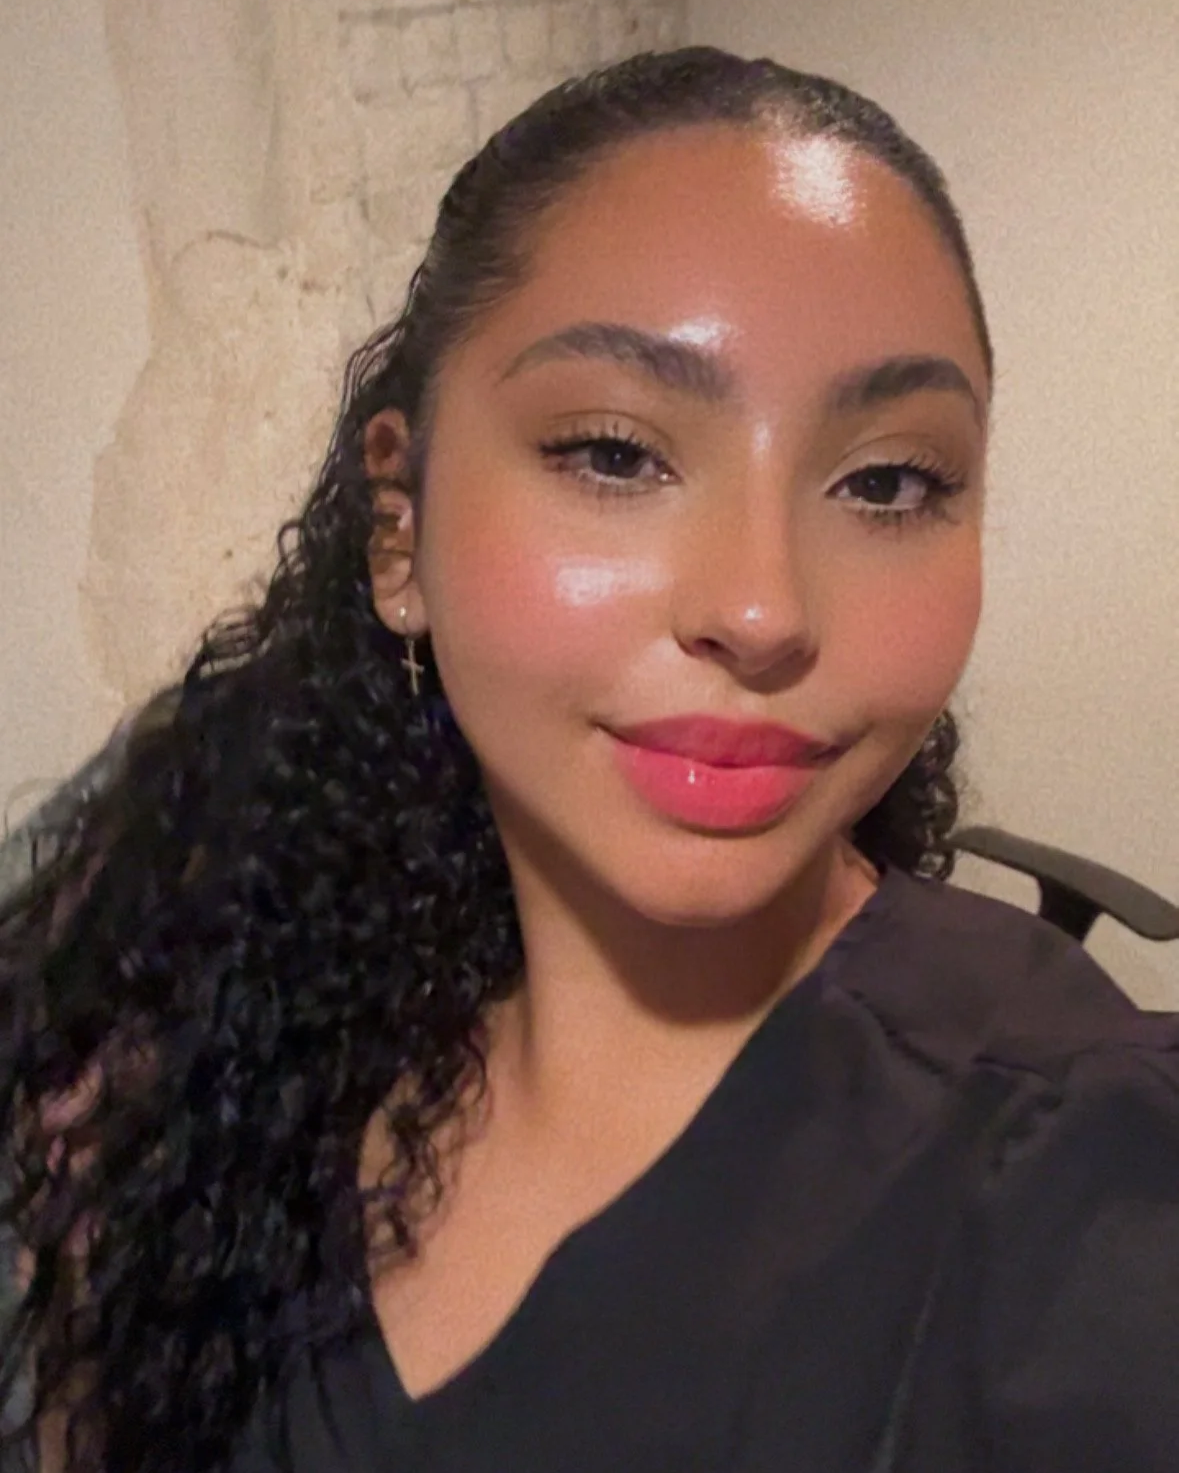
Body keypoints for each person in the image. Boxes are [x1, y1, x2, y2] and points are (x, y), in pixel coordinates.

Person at [1, 45, 1176, 1473]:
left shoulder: (1080, 1169)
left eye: (887, 481)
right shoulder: (267, 1032)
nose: (763, 608)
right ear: (398, 533)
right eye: (615, 454)